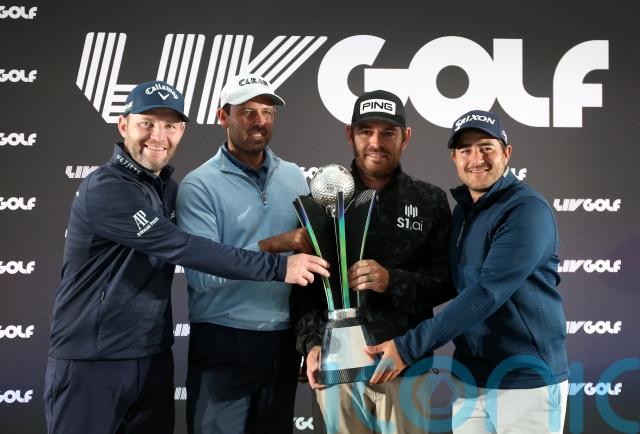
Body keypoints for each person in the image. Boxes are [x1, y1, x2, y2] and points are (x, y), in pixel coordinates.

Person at [44, 80, 329, 434]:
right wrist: (278, 262)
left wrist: (310, 338)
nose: (158, 136)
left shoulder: (166, 188)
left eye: (169, 126)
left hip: (152, 354)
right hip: (93, 358)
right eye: (146, 123)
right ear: (123, 125)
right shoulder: (106, 188)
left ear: (181, 131)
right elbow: (187, 249)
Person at [369, 110, 569, 433]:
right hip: (469, 380)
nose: (476, 159)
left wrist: (407, 346)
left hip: (526, 382)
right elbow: (451, 283)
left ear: (507, 152)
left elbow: (486, 292)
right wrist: (392, 281)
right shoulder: (464, 212)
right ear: (454, 158)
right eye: (466, 150)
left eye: (486, 147)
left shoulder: (526, 210)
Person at [291, 90, 454, 434]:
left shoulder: (429, 200)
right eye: (366, 131)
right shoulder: (319, 202)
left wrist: (392, 280)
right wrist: (312, 344)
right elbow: (303, 289)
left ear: (405, 137)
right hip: (337, 370)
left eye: (388, 133)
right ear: (350, 134)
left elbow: (447, 281)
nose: (376, 142)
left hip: (404, 366)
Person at [176, 73, 316, 434]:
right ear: (223, 116)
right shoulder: (199, 185)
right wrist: (273, 245)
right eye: (248, 111)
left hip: (282, 341)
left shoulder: (293, 177)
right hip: (223, 339)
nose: (260, 121)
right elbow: (202, 276)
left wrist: (310, 339)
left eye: (267, 112)